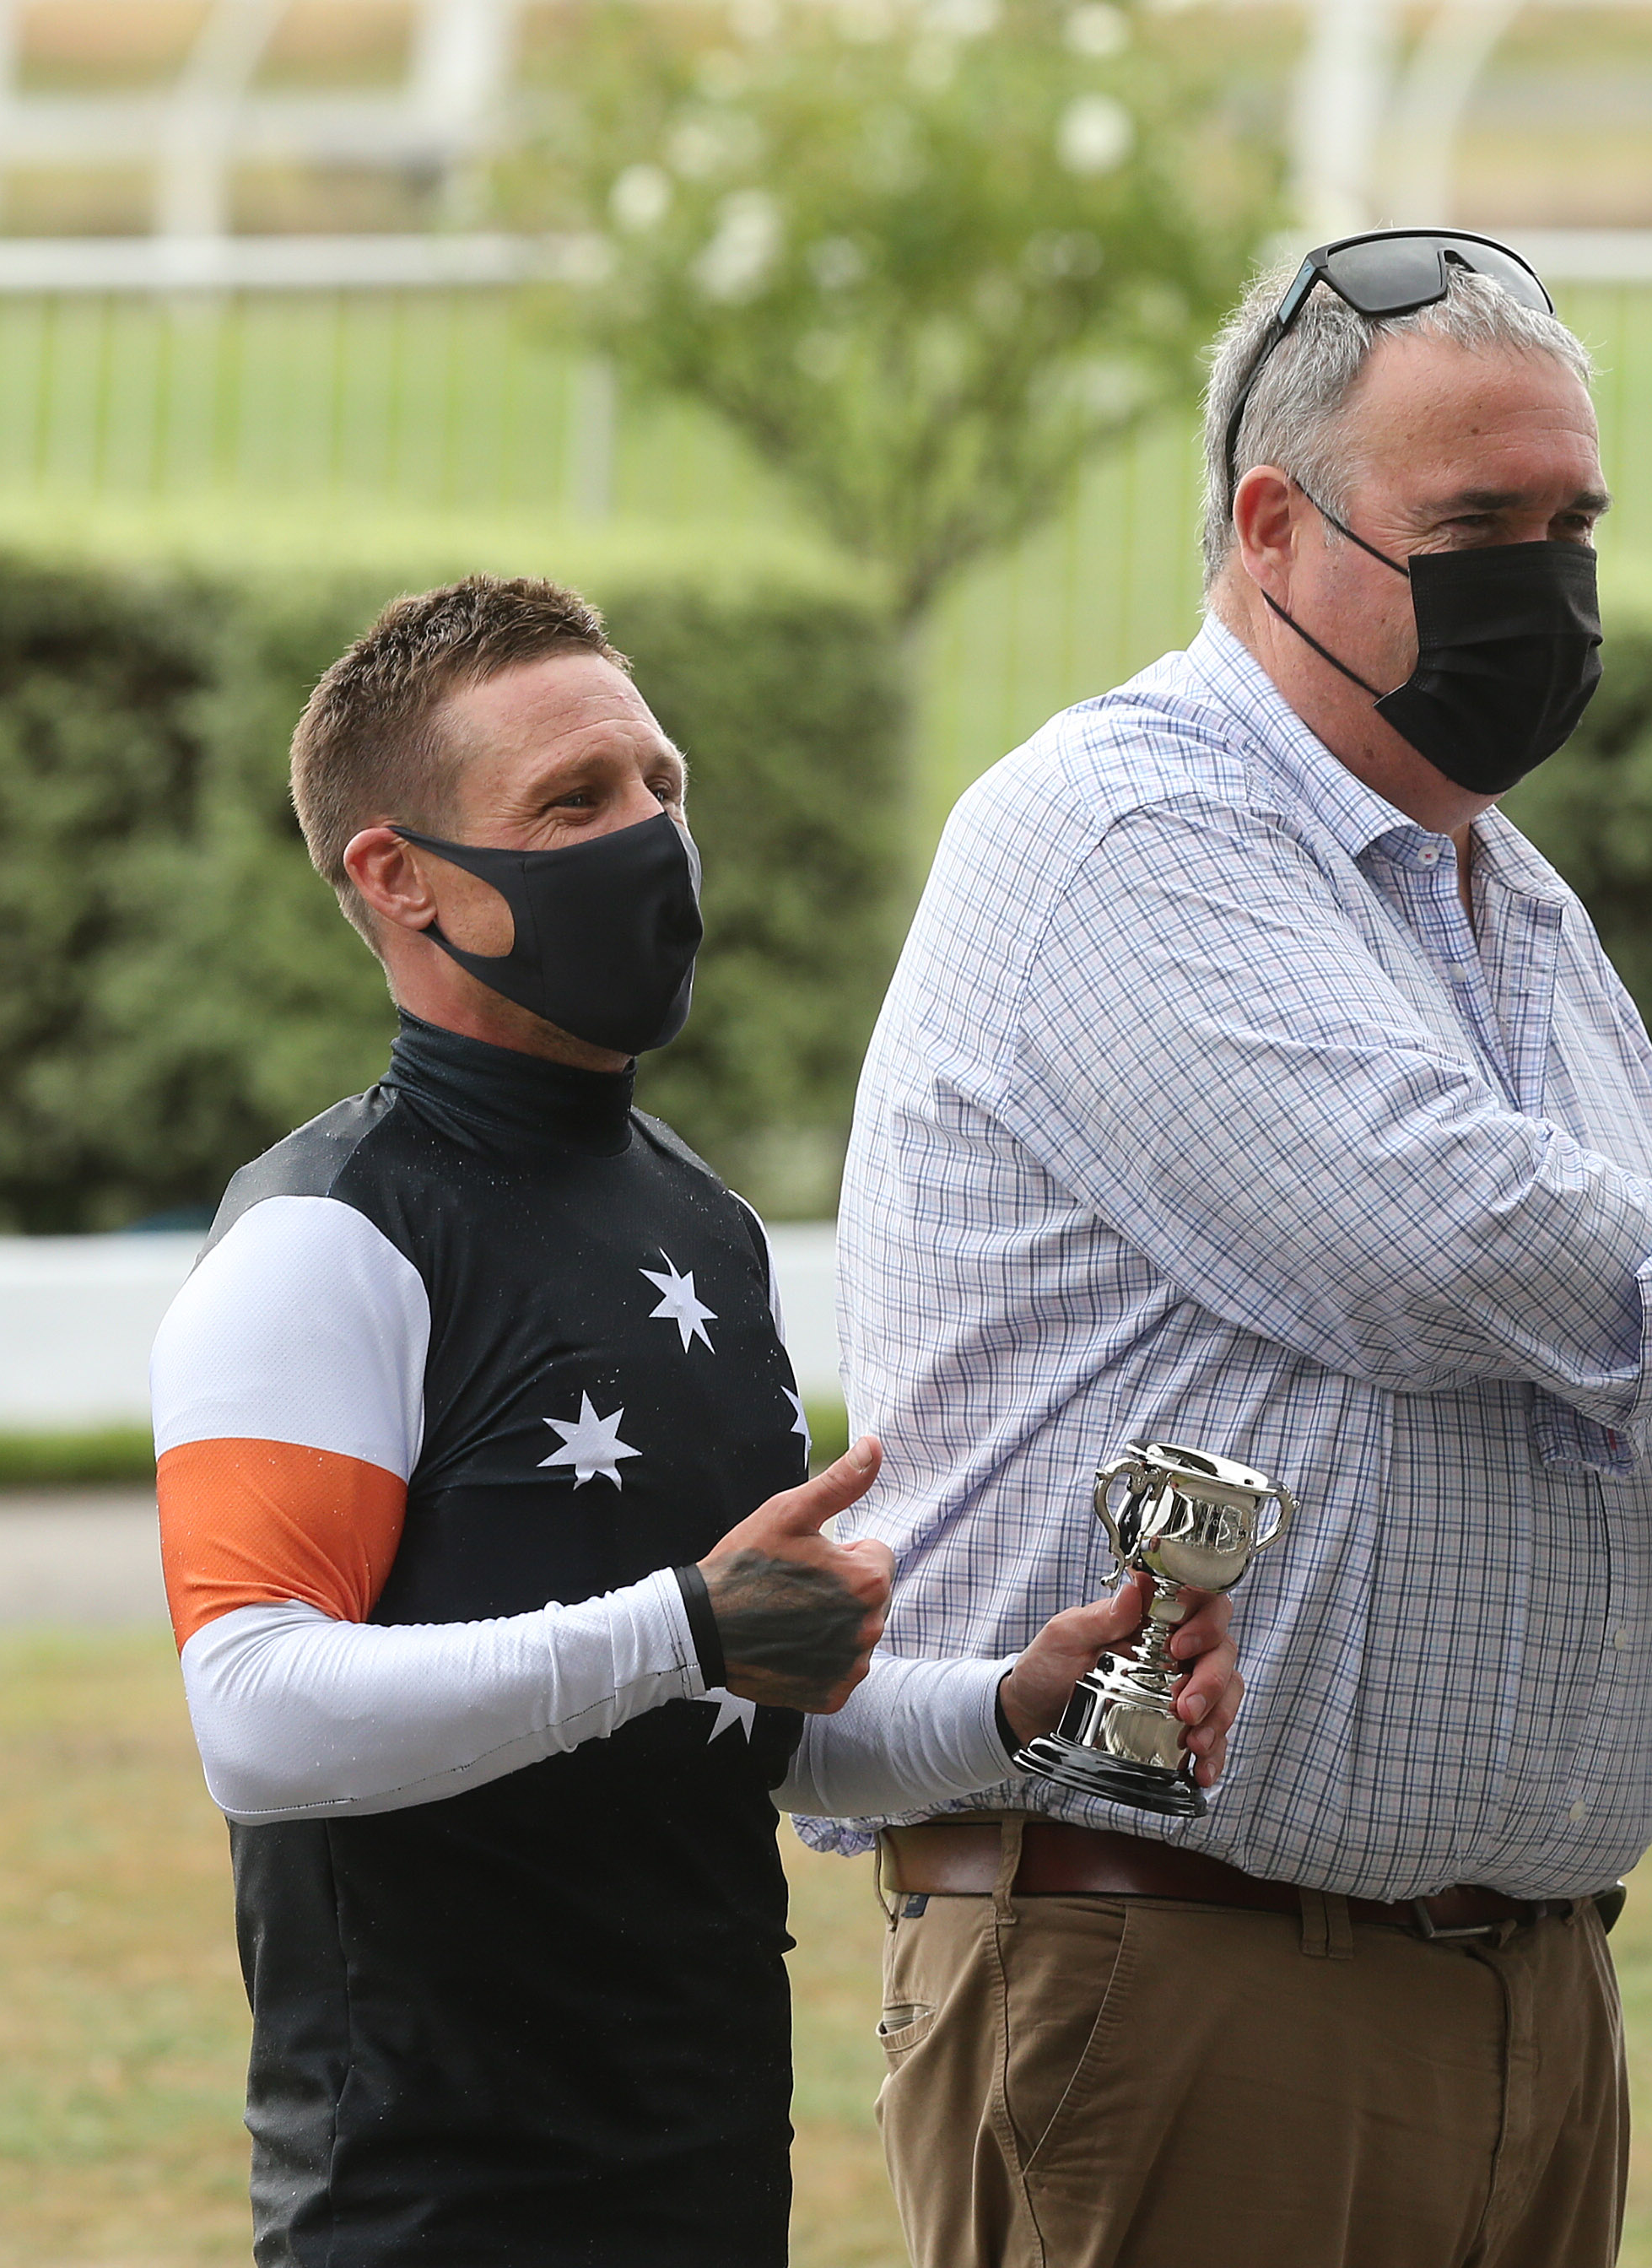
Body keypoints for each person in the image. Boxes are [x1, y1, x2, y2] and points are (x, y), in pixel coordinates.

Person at [827, 229, 1652, 2268]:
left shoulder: (1515, 913)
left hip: (1523, 2002)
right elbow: (1436, 1232)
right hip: (1177, 1983)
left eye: (1575, 524)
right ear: (1273, 527)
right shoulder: (1119, 827)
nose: (1543, 586)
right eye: (1477, 522)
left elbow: (1631, 1475)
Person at [148, 575, 1239, 2268]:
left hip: (713, 2183)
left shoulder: (702, 1226)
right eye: (573, 802)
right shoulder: (326, 1236)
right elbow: (259, 1718)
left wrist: (1024, 1706)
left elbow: (755, 1724)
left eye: (661, 786)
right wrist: (683, 1628)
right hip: (428, 2211)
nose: (650, 837)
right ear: (399, 877)